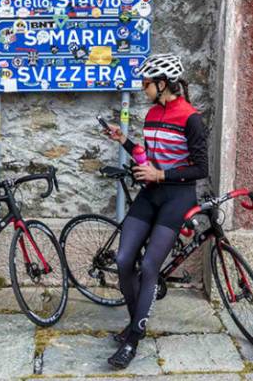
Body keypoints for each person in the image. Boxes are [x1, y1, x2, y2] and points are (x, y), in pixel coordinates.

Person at [103, 53, 208, 369]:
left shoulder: (191, 118)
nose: (142, 88)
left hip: (177, 197)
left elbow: (200, 168)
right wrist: (124, 141)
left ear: (162, 84)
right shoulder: (151, 115)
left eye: (146, 83)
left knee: (149, 267)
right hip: (151, 195)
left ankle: (133, 339)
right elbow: (145, 158)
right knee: (123, 260)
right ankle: (136, 321)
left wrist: (161, 175)